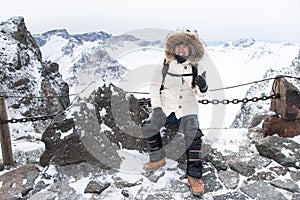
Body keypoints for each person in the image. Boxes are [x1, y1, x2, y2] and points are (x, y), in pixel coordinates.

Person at [141, 30, 210, 196]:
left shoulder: (197, 66)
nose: (181, 49)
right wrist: (157, 108)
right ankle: (157, 159)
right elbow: (154, 86)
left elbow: (201, 93)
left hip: (187, 107)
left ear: (191, 48)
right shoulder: (165, 63)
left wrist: (203, 86)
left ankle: (194, 176)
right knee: (149, 127)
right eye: (178, 45)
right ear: (173, 47)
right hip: (166, 105)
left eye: (185, 45)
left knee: (193, 135)